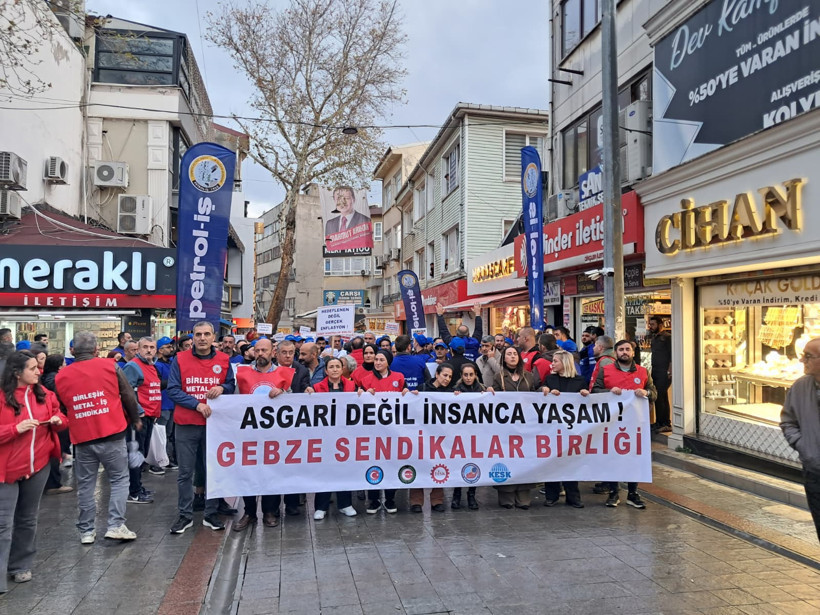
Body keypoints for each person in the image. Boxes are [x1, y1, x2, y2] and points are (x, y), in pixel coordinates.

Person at [55, 331, 141, 544]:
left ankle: (86, 531)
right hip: (112, 432)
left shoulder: (61, 376)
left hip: (82, 437)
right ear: (96, 350)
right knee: (120, 480)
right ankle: (115, 525)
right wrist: (135, 417)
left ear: (72, 351)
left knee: (85, 485)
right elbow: (128, 394)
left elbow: (64, 405)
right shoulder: (110, 366)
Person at [0, 351, 66, 592]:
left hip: (38, 466)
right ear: (17, 373)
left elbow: (60, 415)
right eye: (32, 368)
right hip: (5, 470)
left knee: (28, 519)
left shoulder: (45, 395)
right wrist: (15, 429)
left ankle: (20, 566)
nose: (39, 371)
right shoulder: (1, 397)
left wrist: (59, 420)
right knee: (3, 523)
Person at [166, 322, 235, 534]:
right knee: (185, 473)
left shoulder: (224, 360)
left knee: (213, 471)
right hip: (186, 423)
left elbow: (232, 386)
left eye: (206, 334)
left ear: (214, 336)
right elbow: (173, 390)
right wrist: (196, 404)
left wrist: (221, 387)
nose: (202, 338)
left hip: (214, 425)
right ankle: (185, 515)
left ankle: (210, 513)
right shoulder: (179, 359)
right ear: (192, 337)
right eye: (198, 334)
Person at [592, 339, 656, 509]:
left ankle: (633, 493)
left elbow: (654, 392)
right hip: (612, 423)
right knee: (613, 457)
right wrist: (608, 391)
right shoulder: (606, 370)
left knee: (634, 457)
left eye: (628, 349)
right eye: (621, 350)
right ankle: (614, 492)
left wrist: (646, 392)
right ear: (616, 352)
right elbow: (595, 391)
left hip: (636, 424)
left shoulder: (643, 372)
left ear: (633, 353)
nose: (624, 352)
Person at [233, 337, 286, 531]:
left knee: (272, 471)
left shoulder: (284, 374)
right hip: (249, 431)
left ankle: (270, 511)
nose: (261, 354)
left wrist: (282, 392)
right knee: (248, 472)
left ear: (273, 352)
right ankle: (249, 512)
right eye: (257, 350)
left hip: (274, 432)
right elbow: (234, 398)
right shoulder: (242, 373)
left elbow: (293, 403)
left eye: (264, 350)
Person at [780, 338, 820, 542]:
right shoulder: (800, 387)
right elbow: (788, 421)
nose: (802, 360)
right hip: (815, 472)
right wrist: (804, 447)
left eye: (809, 356)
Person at [492, 346, 540, 509]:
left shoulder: (529, 376)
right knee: (507, 458)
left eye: (514, 354)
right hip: (506, 426)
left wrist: (545, 390)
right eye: (509, 354)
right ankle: (507, 496)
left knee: (524, 459)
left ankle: (523, 496)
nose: (512, 357)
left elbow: (535, 394)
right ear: (504, 358)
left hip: (526, 426)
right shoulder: (498, 377)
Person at [311, 357, 358, 520]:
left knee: (345, 469)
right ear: (326, 370)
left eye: (338, 366)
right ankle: (321, 507)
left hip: (346, 434)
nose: (335, 369)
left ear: (342, 369)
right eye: (331, 367)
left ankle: (345, 504)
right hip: (325, 435)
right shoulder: (317, 387)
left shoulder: (351, 385)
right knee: (324, 470)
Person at [362, 350, 408, 514]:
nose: (377, 362)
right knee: (373, 463)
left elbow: (408, 397)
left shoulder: (399, 377)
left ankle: (390, 498)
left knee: (392, 463)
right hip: (373, 430)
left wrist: (406, 393)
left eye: (381, 359)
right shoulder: (366, 380)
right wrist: (363, 394)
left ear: (388, 362)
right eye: (376, 359)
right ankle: (373, 500)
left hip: (393, 429)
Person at [542, 350, 588, 509]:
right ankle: (551, 495)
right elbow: (538, 396)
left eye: (555, 361)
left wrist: (585, 394)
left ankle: (573, 496)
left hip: (572, 428)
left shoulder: (580, 380)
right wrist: (545, 392)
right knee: (552, 461)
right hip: (552, 427)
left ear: (565, 363)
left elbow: (588, 402)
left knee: (571, 462)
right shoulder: (549, 379)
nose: (552, 364)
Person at [122, 337, 163, 507]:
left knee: (142, 454)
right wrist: (138, 413)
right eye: (145, 347)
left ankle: (138, 487)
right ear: (138, 349)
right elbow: (125, 391)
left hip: (149, 416)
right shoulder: (133, 366)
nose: (148, 350)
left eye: (152, 347)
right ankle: (134, 492)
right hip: (138, 419)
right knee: (136, 455)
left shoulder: (151, 365)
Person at [451, 363, 492, 511]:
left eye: (471, 375)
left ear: (476, 375)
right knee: (458, 463)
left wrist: (490, 393)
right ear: (461, 376)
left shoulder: (482, 390)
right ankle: (456, 494)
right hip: (460, 434)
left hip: (477, 434)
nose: (468, 378)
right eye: (465, 375)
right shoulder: (455, 390)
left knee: (474, 464)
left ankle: (471, 495)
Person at [41, 355, 72, 495]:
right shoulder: (55, 379)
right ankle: (53, 483)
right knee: (55, 450)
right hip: (57, 418)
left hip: (55, 417)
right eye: (64, 363)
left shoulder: (46, 377)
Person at [154, 337, 177, 470]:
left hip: (172, 403)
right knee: (162, 435)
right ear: (160, 350)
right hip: (163, 405)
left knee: (170, 434)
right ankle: (160, 461)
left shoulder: (171, 362)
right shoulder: (157, 365)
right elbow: (157, 384)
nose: (171, 349)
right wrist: (172, 382)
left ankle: (168, 458)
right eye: (168, 347)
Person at [648, 315, 672, 433]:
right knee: (657, 396)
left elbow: (672, 355)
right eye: (650, 324)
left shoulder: (667, 338)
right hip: (656, 370)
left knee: (662, 396)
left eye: (653, 324)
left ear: (660, 325)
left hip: (664, 371)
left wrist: (670, 370)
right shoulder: (654, 338)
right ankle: (658, 422)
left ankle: (666, 423)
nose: (650, 327)